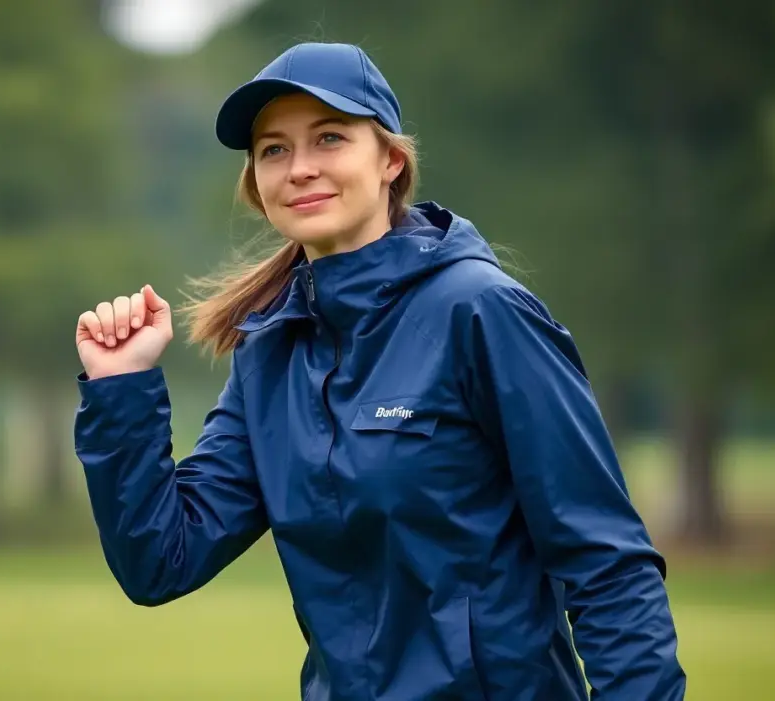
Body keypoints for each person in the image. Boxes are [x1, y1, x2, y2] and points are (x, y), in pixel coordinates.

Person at [73, 42, 686, 701]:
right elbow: (162, 558)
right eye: (274, 149)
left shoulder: (481, 312)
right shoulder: (269, 352)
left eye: (329, 138)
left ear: (391, 160)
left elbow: (608, 567)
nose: (300, 168)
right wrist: (121, 387)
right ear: (256, 181)